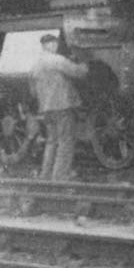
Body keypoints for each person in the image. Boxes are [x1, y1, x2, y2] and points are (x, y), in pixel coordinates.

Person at [31, 33, 88, 181]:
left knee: (51, 141)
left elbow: (32, 90)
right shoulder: (57, 60)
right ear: (48, 45)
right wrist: (85, 63)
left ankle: (46, 174)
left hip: (46, 108)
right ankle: (60, 175)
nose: (55, 46)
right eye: (53, 44)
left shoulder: (36, 64)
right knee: (66, 141)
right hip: (62, 106)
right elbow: (78, 72)